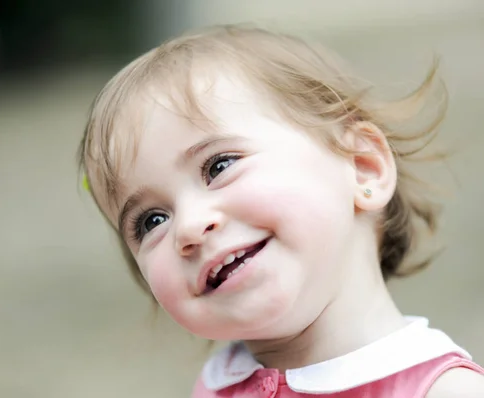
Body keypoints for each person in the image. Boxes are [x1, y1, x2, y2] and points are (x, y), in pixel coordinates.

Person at [77, 24, 484, 397]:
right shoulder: (217, 384)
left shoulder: (443, 391)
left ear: (363, 166)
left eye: (218, 166)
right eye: (152, 221)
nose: (189, 227)